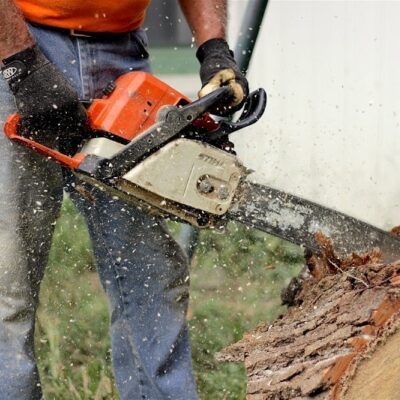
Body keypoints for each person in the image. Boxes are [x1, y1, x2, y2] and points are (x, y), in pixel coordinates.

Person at [0, 1, 248, 399]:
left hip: (121, 57)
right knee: (7, 286)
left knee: (148, 272)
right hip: (18, 41)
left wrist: (214, 48)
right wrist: (18, 61)